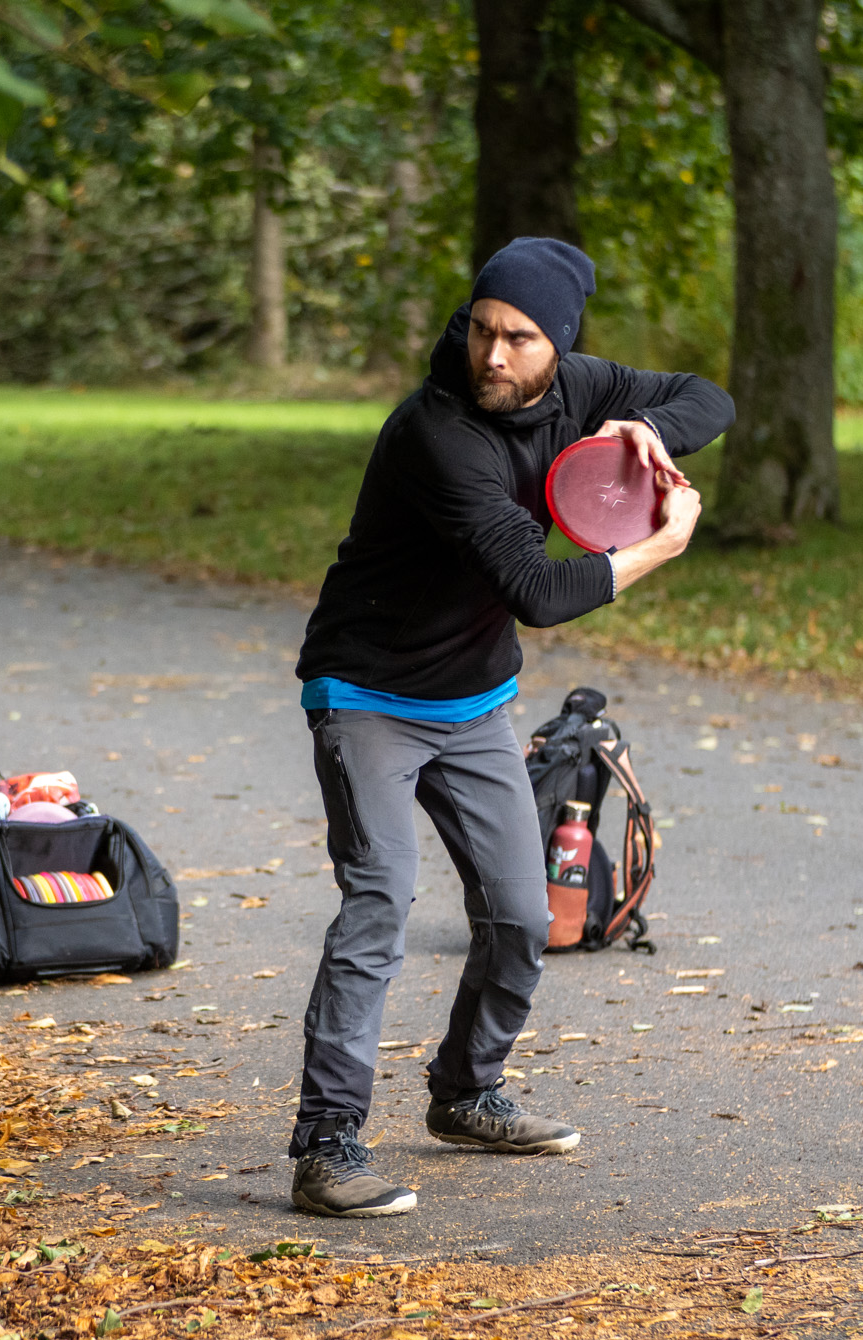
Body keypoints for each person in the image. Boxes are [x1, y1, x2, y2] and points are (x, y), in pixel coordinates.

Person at [287, 237, 733, 1218]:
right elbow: (535, 590)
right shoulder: (436, 432)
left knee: (522, 911)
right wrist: (663, 542)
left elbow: (708, 397)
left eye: (517, 338)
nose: (492, 355)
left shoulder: (578, 385)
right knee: (379, 899)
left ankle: (464, 1090)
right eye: (482, 329)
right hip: (366, 694)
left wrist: (644, 430)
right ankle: (325, 1144)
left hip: (473, 698)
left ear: (557, 345)